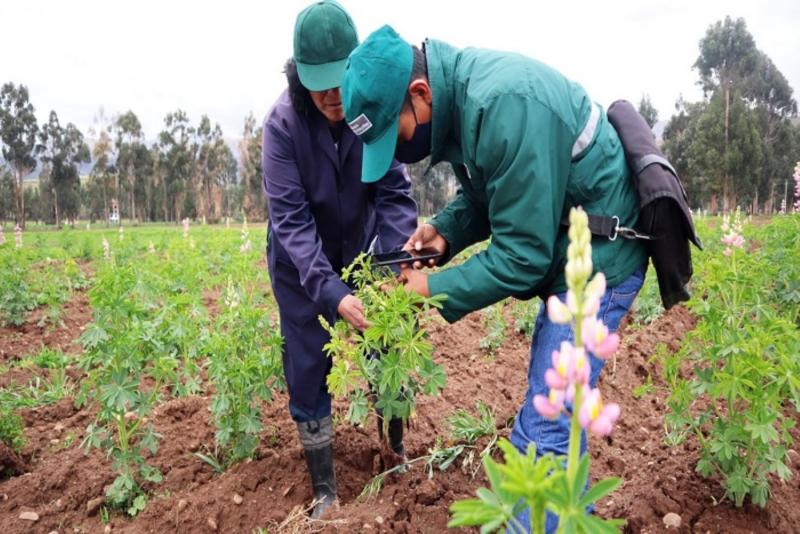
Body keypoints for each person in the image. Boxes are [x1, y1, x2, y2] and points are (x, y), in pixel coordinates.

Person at [341, 25, 647, 532]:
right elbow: (493, 195)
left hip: (600, 260)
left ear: (420, 94)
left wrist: (431, 290)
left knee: (545, 429)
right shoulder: (465, 107)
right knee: (550, 415)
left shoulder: (503, 105)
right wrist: (445, 231)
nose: (398, 154)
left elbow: (522, 254)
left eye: (397, 136)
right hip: (563, 247)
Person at [261, 6, 417, 519]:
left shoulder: (368, 108)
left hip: (367, 257)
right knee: (308, 364)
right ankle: (326, 489)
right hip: (301, 270)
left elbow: (394, 193)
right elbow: (293, 225)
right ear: (299, 76)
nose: (332, 95)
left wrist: (394, 263)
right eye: (319, 84)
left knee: (387, 341)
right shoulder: (282, 128)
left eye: (339, 81)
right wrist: (331, 292)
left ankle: (394, 456)